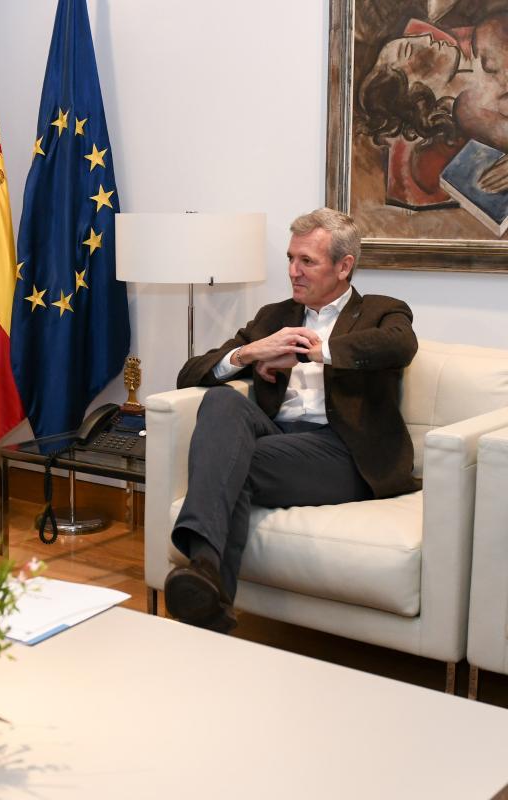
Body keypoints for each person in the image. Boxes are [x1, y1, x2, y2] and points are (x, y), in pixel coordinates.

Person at [163, 208, 418, 633]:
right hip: (278, 437)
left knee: (232, 464)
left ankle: (205, 579)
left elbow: (399, 345)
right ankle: (207, 583)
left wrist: (318, 352)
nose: (293, 271)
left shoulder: (382, 311)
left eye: (307, 261)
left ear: (343, 266)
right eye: (290, 258)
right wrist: (251, 353)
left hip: (344, 453)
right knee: (222, 402)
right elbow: (190, 373)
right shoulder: (274, 317)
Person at [358, 14, 508, 205]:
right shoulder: (471, 111)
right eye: (409, 50)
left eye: (413, 38)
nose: (426, 37)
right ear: (413, 93)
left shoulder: (487, 35)